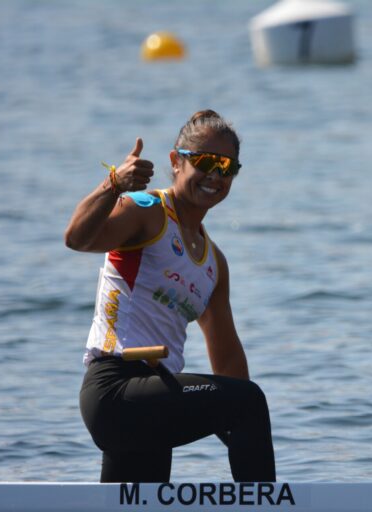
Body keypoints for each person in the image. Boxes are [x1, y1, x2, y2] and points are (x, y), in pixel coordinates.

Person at [65, 110, 276, 483]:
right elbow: (78, 239)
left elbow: (228, 361)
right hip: (114, 391)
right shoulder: (145, 211)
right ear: (176, 162)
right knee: (249, 402)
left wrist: (244, 434)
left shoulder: (214, 262)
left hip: (156, 399)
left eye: (227, 167)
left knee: (244, 401)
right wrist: (113, 184)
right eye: (206, 161)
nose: (216, 175)